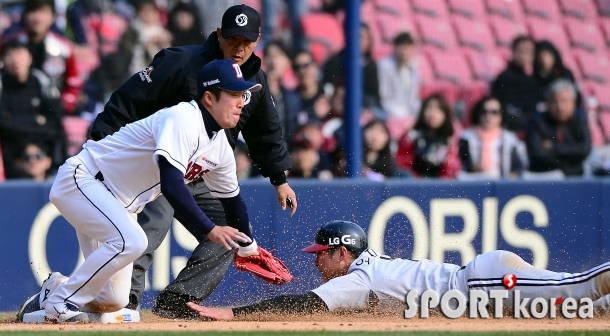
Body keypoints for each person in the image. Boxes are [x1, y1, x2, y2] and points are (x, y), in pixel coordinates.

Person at [16, 59, 291, 323]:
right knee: (132, 241)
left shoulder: (219, 146)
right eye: (234, 94)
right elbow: (172, 184)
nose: (242, 102)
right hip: (84, 179)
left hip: (115, 202)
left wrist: (249, 247)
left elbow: (233, 203)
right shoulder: (183, 117)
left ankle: (52, 291)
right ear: (209, 97)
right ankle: (61, 300)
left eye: (244, 95)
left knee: (113, 299)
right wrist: (209, 228)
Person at [89, 4, 297, 319]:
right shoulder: (181, 61)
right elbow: (128, 100)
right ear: (218, 35)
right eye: (232, 39)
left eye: (247, 41)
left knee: (231, 235)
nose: (238, 47)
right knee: (146, 233)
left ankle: (177, 300)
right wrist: (100, 141)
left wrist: (279, 177)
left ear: (258, 40)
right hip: (156, 169)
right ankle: (124, 305)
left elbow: (266, 131)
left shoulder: (254, 80)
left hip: (203, 173)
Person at [186, 220, 610, 319]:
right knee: (587, 310)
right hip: (484, 281)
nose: (315, 261)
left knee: (580, 291)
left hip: (483, 284)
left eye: (321, 253)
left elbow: (302, 304)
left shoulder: (360, 277)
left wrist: (232, 313)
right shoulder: (367, 270)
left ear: (342, 252)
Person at [0, 38, 66, 179]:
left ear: (30, 57)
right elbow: (3, 125)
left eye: (19, 53)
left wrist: (17, 122)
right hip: (11, 153)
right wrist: (36, 120)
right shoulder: (1, 85)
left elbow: (56, 122)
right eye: (9, 54)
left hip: (43, 148)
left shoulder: (42, 81)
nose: (15, 59)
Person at [0, 0, 82, 114]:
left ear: (53, 16)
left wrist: (64, 106)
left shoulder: (64, 48)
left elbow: (73, 82)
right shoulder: (9, 43)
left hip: (52, 111)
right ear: (25, 15)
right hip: (14, 109)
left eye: (43, 12)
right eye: (33, 11)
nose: (38, 18)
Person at [526, 79, 591, 177]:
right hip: (544, 176)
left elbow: (584, 149)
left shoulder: (580, 120)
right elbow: (536, 153)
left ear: (573, 103)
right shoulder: (537, 121)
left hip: (575, 175)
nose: (560, 107)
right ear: (547, 103)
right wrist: (567, 164)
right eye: (555, 102)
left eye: (564, 101)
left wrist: (553, 147)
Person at [458, 96, 528, 179]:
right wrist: (472, 167)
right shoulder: (466, 137)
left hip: (502, 185)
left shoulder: (510, 139)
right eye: (484, 112)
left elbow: (520, 165)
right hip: (474, 183)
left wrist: (514, 175)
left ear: (502, 115)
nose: (489, 116)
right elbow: (460, 164)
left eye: (494, 112)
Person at [395, 94, 460, 178]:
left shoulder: (450, 140)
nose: (433, 113)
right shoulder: (411, 136)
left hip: (440, 187)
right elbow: (403, 164)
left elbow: (451, 170)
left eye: (439, 109)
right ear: (423, 111)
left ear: (446, 114)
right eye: (430, 108)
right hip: (413, 184)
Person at [322, 23, 381, 110]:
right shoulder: (335, 61)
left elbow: (373, 96)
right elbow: (328, 87)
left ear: (369, 41)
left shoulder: (370, 65)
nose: (357, 41)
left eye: (361, 37)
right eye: (355, 36)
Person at [491, 36, 541, 137]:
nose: (525, 55)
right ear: (513, 52)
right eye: (521, 51)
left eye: (529, 52)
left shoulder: (532, 79)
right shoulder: (504, 77)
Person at [377, 32, 421, 120]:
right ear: (395, 48)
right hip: (387, 113)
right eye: (401, 47)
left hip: (408, 113)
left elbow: (413, 98)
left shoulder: (413, 67)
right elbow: (383, 98)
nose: (404, 51)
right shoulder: (384, 66)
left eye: (408, 47)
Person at [533, 40, 581, 107]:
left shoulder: (565, 74)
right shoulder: (534, 77)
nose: (544, 59)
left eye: (547, 55)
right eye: (540, 55)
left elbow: (576, 96)